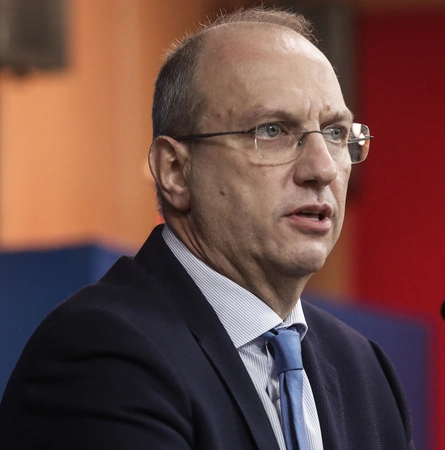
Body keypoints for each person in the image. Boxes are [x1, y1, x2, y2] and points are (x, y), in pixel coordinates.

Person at [0, 6, 410, 450]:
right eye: (272, 130)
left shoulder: (362, 371)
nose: (323, 169)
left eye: (335, 133)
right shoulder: (102, 353)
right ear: (176, 171)